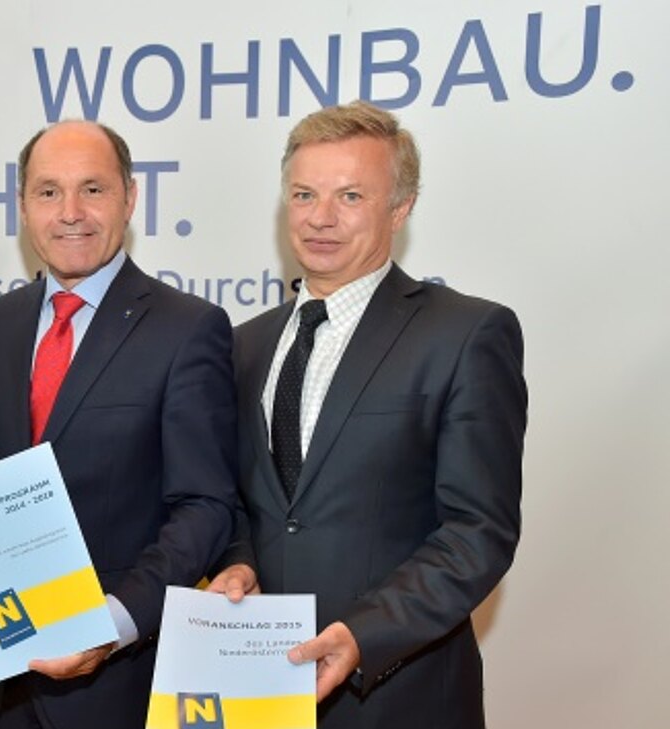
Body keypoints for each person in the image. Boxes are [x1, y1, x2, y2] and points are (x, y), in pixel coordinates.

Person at [208, 100, 527, 728]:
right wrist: (237, 559)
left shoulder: (466, 334)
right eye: (304, 194)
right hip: (259, 691)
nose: (320, 217)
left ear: (400, 208)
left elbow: (477, 532)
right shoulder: (243, 345)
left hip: (400, 692)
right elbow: (238, 501)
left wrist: (363, 633)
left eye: (350, 196)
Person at [0, 120, 241, 728]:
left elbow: (205, 506)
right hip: (5, 666)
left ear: (130, 198)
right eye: (48, 192)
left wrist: (113, 623)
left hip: (121, 680)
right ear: (23, 206)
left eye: (93, 189)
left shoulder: (187, 329)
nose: (70, 212)